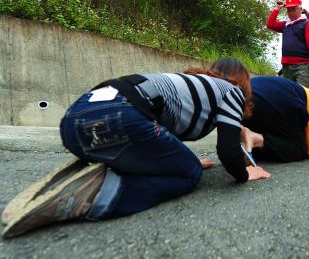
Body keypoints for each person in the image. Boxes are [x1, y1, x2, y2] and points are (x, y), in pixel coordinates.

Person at [2, 58, 271, 238]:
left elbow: (161, 129)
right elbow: (227, 148)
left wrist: (172, 158)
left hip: (74, 122)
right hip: (121, 116)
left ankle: (97, 172)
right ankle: (95, 197)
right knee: (189, 174)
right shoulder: (231, 91)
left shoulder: (191, 84)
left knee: (182, 162)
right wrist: (244, 173)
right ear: (243, 83)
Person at [241, 76, 309, 162]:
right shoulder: (238, 96)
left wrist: (259, 140)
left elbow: (298, 149)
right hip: (281, 98)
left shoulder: (273, 107)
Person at [266, 0, 309, 87]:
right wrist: (277, 8)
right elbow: (270, 24)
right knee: (288, 92)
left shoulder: (307, 24)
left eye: (293, 9)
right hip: (286, 65)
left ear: (300, 9)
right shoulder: (285, 25)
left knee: (302, 92)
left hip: (302, 65)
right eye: (289, 10)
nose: (291, 12)